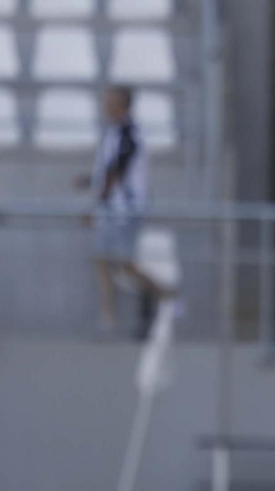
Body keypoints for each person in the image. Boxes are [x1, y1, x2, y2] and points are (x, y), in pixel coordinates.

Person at [75, 86, 169, 340]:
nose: (105, 106)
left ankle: (165, 296)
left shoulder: (130, 134)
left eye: (110, 102)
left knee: (124, 265)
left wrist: (96, 208)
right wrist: (89, 181)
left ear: (122, 105)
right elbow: (108, 171)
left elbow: (117, 175)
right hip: (115, 208)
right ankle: (109, 319)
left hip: (124, 211)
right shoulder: (115, 133)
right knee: (104, 261)